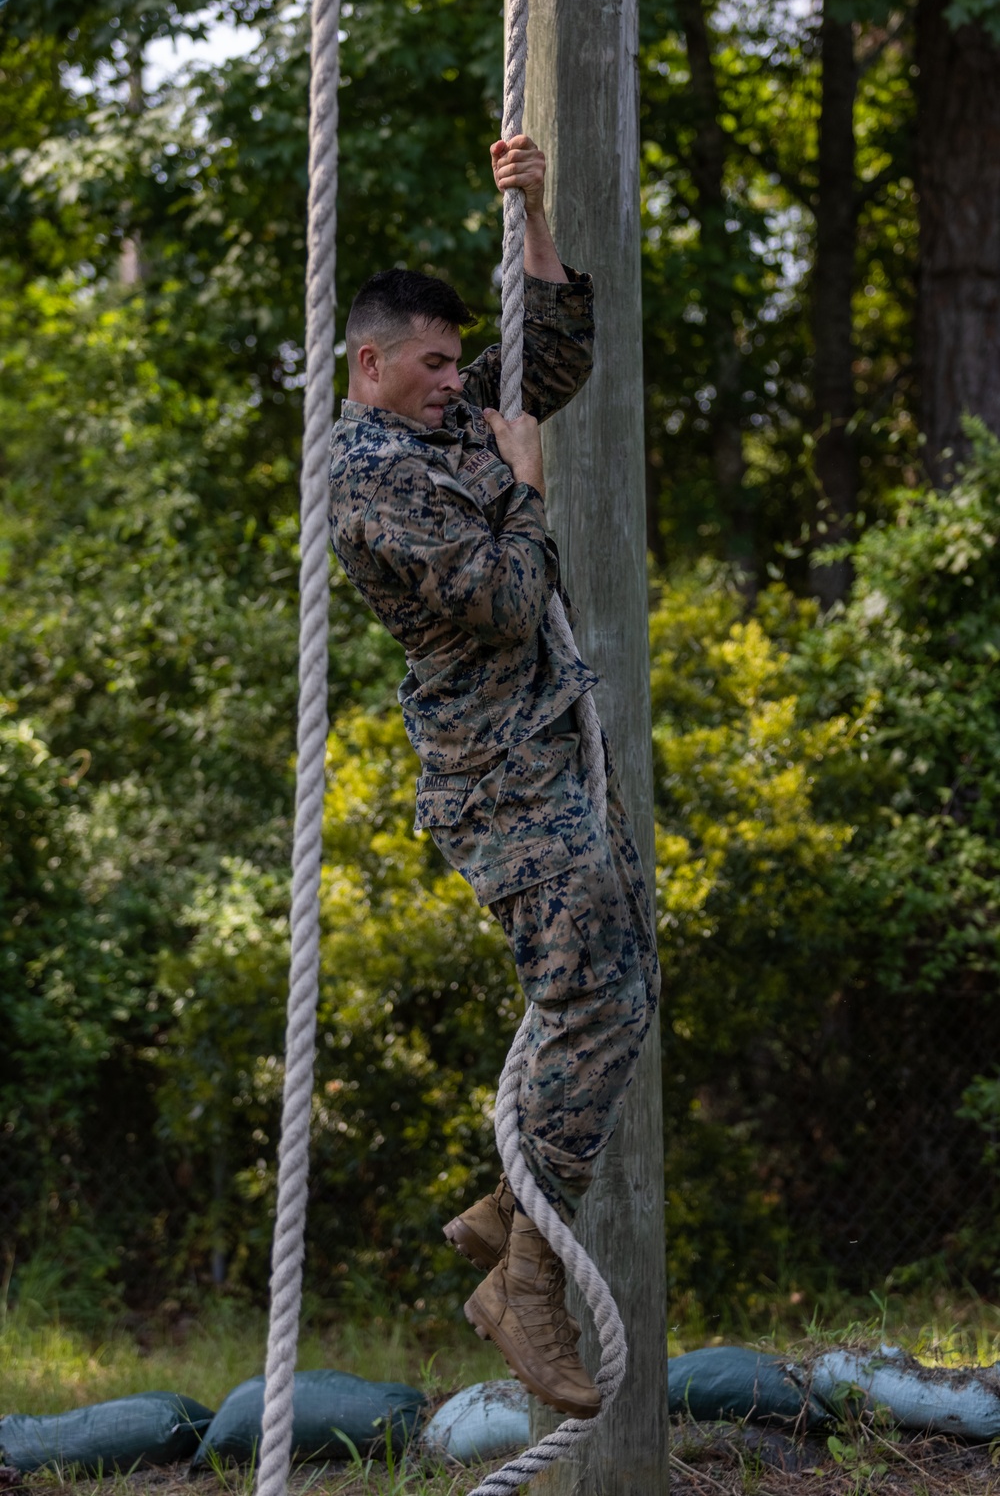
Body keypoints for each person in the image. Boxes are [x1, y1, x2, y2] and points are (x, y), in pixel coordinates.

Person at [327, 135, 660, 1420]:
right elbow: (510, 602)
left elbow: (553, 357)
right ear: (371, 364)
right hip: (499, 779)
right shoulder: (369, 481)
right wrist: (524, 488)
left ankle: (509, 1211)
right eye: (433, 362)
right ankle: (523, 1279)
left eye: (459, 363)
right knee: (593, 999)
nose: (455, 383)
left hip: (552, 751)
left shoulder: (446, 415)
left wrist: (528, 215)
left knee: (623, 978)